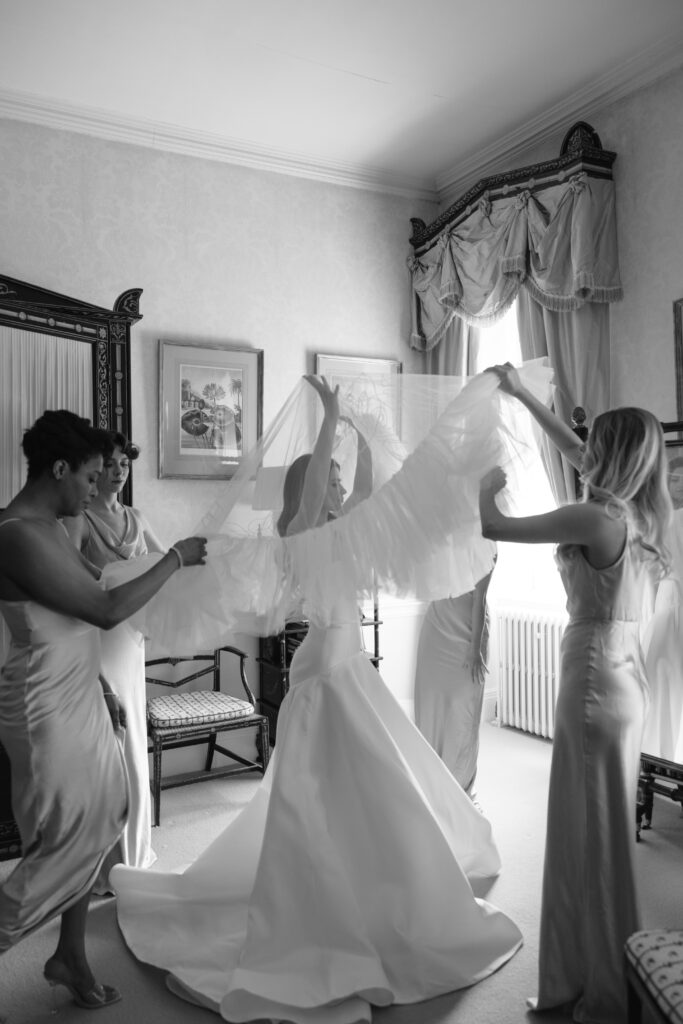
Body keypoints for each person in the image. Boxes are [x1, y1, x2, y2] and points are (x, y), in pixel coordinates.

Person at [111, 375, 522, 1024]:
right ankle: (315, 911)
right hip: (324, 673)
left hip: (348, 670)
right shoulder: (301, 533)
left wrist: (356, 438)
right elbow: (315, 495)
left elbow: (363, 492)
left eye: (334, 480)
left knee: (369, 788)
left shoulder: (345, 529)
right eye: (326, 477)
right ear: (309, 488)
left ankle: (369, 890)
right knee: (321, 795)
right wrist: (330, 415)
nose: (336, 486)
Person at [479, 363, 672, 1024]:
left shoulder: (594, 516)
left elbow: (494, 528)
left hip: (589, 678)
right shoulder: (647, 514)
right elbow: (572, 447)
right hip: (624, 683)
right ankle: (600, 965)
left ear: (608, 456)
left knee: (584, 835)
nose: (582, 455)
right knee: (603, 831)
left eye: (595, 448)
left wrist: (485, 491)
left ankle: (597, 985)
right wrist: (521, 394)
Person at [0, 409, 206, 1010]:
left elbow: (94, 600)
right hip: (42, 704)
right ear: (59, 469)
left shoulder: (56, 528)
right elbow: (105, 609)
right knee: (62, 837)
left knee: (105, 814)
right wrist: (175, 559)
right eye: (90, 477)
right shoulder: (14, 534)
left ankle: (70, 956)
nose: (96, 489)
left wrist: (106, 691)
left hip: (80, 692)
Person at [63, 431, 165, 893]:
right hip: (99, 639)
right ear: (94, 470)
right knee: (111, 745)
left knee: (134, 741)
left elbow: (167, 562)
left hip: (131, 639)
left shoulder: (137, 517)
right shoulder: (79, 519)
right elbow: (72, 580)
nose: (120, 469)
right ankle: (108, 867)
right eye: (111, 463)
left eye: (125, 462)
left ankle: (136, 853)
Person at [414, 560, 495, 802]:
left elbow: (479, 600)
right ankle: (432, 778)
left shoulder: (486, 542)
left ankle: (460, 787)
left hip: (468, 633)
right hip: (436, 626)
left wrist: (474, 650)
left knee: (463, 710)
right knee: (431, 705)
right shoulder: (441, 535)